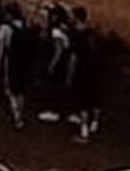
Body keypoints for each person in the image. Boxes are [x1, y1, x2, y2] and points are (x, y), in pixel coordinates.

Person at [0, 3, 36, 130]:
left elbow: (1, 48)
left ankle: (17, 116)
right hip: (24, 61)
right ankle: (20, 113)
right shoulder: (25, 25)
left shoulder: (5, 28)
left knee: (10, 89)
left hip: (11, 60)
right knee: (21, 89)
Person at [67, 6, 101, 142]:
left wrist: (70, 75)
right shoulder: (93, 33)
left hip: (82, 70)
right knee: (94, 98)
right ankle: (95, 123)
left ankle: (84, 131)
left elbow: (73, 57)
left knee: (82, 102)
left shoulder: (76, 35)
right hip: (94, 69)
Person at [36, 4, 72, 123]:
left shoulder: (56, 31)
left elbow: (58, 49)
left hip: (58, 63)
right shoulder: (65, 28)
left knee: (53, 86)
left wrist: (52, 64)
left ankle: (54, 111)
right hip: (65, 62)